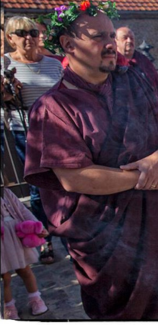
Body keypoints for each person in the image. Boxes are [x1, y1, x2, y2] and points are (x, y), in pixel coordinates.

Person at [25, 3, 158, 319]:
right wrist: (149, 176)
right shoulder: (53, 108)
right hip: (109, 242)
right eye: (99, 37)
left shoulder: (135, 81)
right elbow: (75, 177)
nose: (110, 44)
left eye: (112, 35)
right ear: (69, 45)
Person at [3, 16, 63, 265]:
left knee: (65, 184)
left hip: (60, 133)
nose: (28, 37)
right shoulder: (4, 65)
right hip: (27, 134)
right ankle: (44, 239)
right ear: (10, 38)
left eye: (33, 32)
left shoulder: (53, 65)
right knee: (39, 189)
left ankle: (70, 233)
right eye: (21, 33)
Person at [2, 188, 49, 319]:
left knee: (24, 269)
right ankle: (8, 306)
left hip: (14, 235)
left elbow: (22, 210)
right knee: (4, 276)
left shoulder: (5, 192)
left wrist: (37, 226)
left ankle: (36, 299)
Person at [116, 26, 158, 105]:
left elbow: (157, 88)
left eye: (131, 38)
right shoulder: (112, 63)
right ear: (116, 41)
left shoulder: (144, 61)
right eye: (125, 38)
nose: (129, 41)